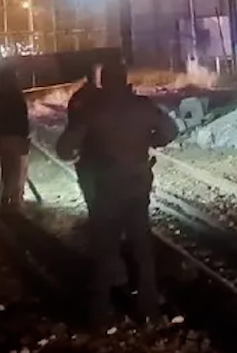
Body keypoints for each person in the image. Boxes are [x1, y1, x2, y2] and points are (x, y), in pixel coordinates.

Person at [56, 60, 178, 331]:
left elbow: (64, 148)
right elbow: (170, 131)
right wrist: (150, 141)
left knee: (105, 251)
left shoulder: (91, 109)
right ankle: (150, 312)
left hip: (104, 191)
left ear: (103, 82)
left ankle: (100, 317)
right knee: (142, 250)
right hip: (136, 187)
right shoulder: (143, 106)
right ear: (125, 81)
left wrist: (84, 151)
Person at [0, 67, 30, 210]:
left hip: (2, 138)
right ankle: (12, 202)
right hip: (15, 137)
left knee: (8, 171)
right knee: (17, 172)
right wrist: (25, 137)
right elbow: (22, 118)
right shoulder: (16, 96)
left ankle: (4, 200)